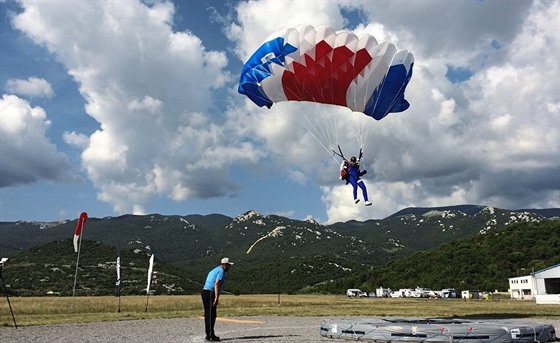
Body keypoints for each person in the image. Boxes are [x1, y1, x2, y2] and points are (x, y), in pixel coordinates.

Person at [201, 257, 234, 342]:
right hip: (210, 292)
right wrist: (217, 297)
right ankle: (210, 335)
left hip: (205, 291)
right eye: (228, 265)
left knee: (209, 314)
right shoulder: (221, 271)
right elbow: (217, 284)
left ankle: (209, 334)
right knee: (211, 314)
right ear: (224, 265)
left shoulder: (215, 270)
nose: (229, 267)